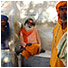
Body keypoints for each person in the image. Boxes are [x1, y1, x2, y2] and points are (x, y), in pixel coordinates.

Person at [50, 1, 67, 67]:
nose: (64, 12)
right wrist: (51, 62)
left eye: (66, 9)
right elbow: (53, 47)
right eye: (62, 9)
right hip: (54, 63)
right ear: (58, 12)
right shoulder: (56, 28)